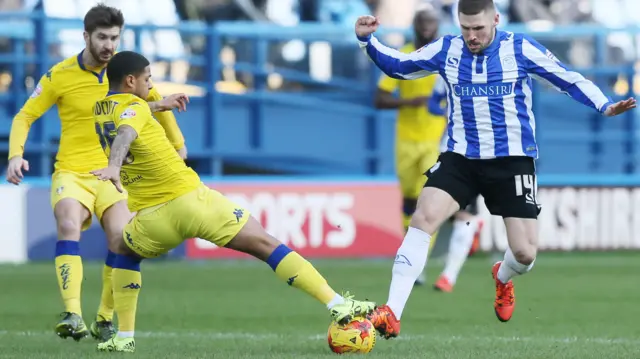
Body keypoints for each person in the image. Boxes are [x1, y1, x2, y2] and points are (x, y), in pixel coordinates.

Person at [355, 0, 636, 339]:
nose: (472, 36)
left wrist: (604, 105)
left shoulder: (519, 48)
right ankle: (392, 313)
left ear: (496, 20)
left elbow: (567, 78)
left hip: (512, 160)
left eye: (479, 29)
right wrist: (367, 41)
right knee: (423, 218)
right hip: (461, 156)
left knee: (525, 254)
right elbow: (399, 66)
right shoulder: (447, 49)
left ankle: (502, 277)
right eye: (465, 28)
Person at [89, 50, 376, 353]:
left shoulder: (101, 108)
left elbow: (130, 113)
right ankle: (338, 304)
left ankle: (124, 336)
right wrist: (114, 165)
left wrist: (159, 104)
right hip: (193, 201)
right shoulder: (134, 110)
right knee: (266, 245)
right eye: (147, 79)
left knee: (124, 251)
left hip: (152, 219)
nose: (150, 85)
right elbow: (126, 131)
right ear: (131, 80)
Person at [4, 4, 189, 342]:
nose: (109, 45)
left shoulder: (124, 74)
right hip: (72, 173)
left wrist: (178, 144)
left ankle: (104, 317)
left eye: (114, 38)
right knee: (68, 223)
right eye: (102, 37)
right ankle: (72, 313)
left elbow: (156, 102)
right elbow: (24, 116)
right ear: (86, 36)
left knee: (122, 240)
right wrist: (15, 155)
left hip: (113, 174)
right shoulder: (59, 75)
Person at [374, 5, 481, 291]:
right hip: (406, 141)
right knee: (409, 202)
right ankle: (416, 256)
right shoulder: (406, 55)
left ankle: (418, 264)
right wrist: (410, 103)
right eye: (422, 22)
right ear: (415, 25)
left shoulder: (447, 56)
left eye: (431, 23)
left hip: (437, 143)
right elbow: (379, 97)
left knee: (428, 201)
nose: (426, 28)